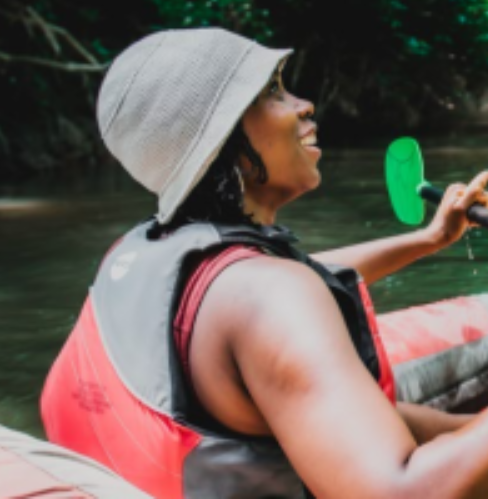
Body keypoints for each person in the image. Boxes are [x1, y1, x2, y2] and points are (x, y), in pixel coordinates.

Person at [41, 27, 488, 499]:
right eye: (273, 91)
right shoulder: (270, 297)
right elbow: (403, 493)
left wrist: (430, 238)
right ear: (222, 140)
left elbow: (301, 277)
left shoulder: (148, 249)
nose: (304, 105)